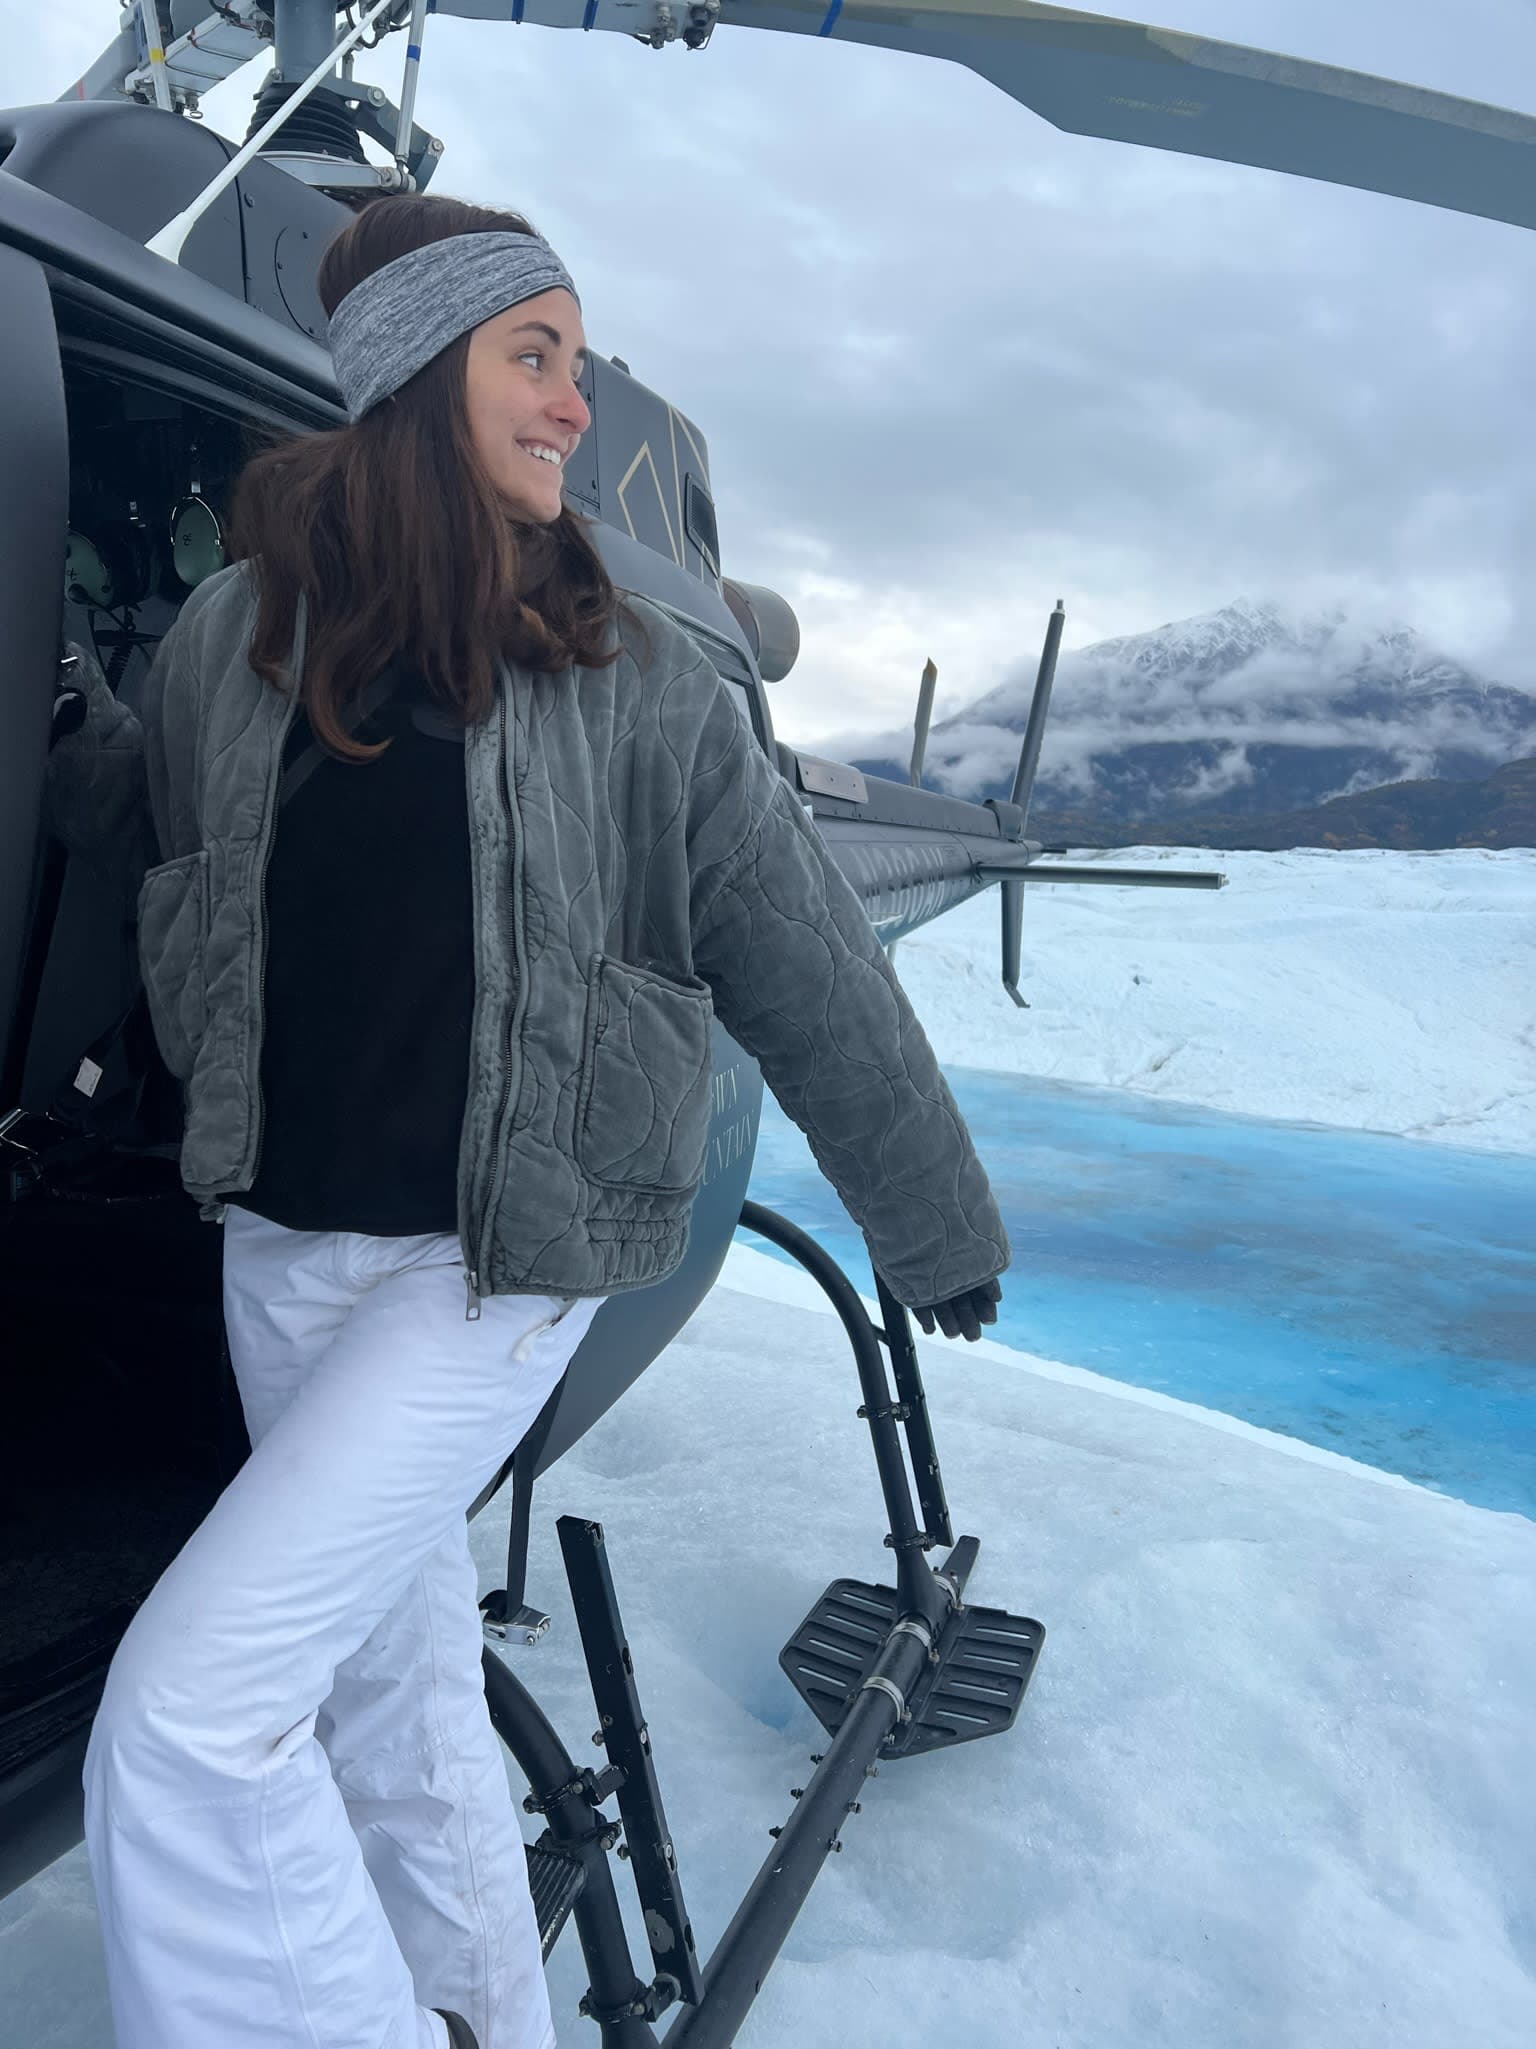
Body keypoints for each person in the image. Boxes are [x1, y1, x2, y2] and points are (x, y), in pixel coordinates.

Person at [40, 195, 1009, 2049]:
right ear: (415, 371)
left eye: (572, 358)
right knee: (388, 1701)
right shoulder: (239, 636)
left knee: (187, 1717)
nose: (575, 406)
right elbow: (135, 807)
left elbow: (802, 954)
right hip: (284, 1253)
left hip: (495, 1273)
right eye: (535, 355)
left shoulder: (632, 669)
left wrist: (932, 1220)